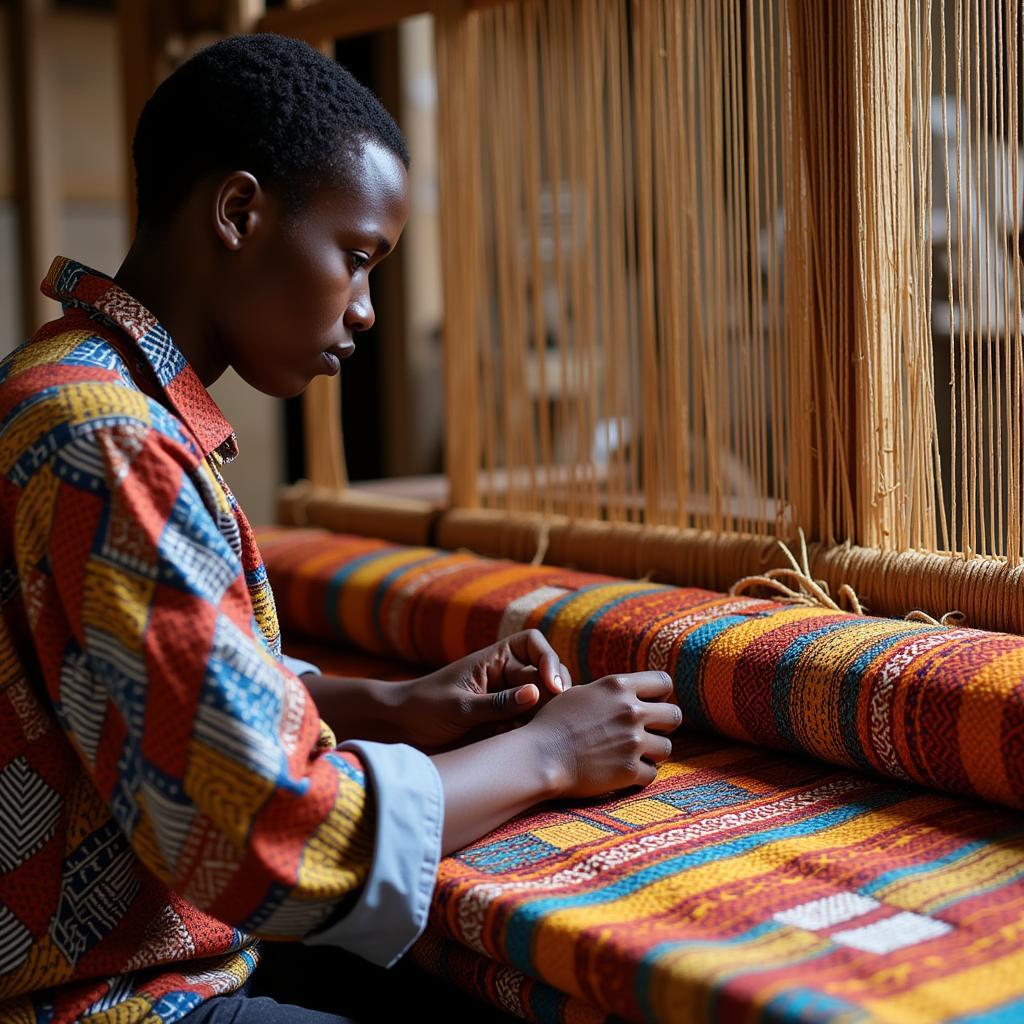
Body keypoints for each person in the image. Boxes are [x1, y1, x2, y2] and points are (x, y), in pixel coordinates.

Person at [0, 34, 681, 1023]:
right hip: (105, 1001)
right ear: (239, 212)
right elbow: (264, 832)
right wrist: (547, 757)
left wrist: (400, 706)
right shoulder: (110, 440)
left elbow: (145, 690)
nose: (363, 311)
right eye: (356, 259)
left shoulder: (65, 384)